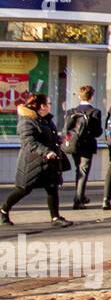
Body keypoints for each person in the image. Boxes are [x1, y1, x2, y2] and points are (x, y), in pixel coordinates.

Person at [2, 93, 73, 227]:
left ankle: (55, 218)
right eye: (49, 103)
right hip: (32, 162)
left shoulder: (45, 119)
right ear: (42, 106)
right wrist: (46, 151)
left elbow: (48, 136)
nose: (51, 106)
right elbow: (29, 142)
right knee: (23, 189)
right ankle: (3, 210)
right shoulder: (26, 121)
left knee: (52, 187)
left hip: (48, 162)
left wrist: (59, 139)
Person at [63, 85, 103, 209]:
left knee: (79, 170)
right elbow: (97, 132)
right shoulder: (95, 112)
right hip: (87, 145)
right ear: (91, 97)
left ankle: (81, 196)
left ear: (80, 96)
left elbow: (66, 129)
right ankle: (78, 200)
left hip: (74, 144)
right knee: (83, 171)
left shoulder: (71, 112)